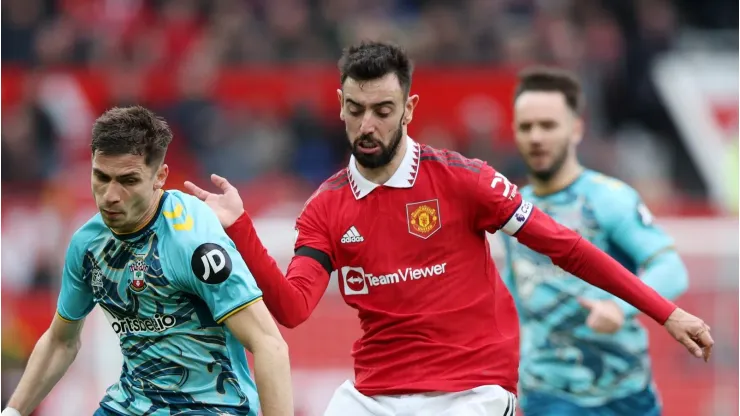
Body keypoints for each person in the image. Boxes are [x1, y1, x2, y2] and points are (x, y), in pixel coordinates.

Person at [184, 41, 713, 416]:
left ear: (409, 109)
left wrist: (664, 312)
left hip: (471, 392)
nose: (367, 125)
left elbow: (566, 247)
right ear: (341, 108)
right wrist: (240, 229)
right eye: (356, 109)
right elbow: (294, 308)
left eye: (383, 110)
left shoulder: (464, 180)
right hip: (374, 397)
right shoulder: (325, 208)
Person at [1, 106, 294, 416]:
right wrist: (13, 412)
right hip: (129, 406)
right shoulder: (88, 244)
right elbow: (61, 342)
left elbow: (269, 345)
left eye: (128, 181)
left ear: (160, 177)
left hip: (211, 408)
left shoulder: (194, 242)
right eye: (101, 177)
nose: (110, 196)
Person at [499, 67, 692, 415]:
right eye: (526, 127)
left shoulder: (608, 199)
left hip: (625, 391)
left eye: (548, 125)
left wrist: (620, 308)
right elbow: (512, 301)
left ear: (576, 129)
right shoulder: (511, 209)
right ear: (514, 131)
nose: (536, 137)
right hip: (548, 393)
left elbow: (671, 269)